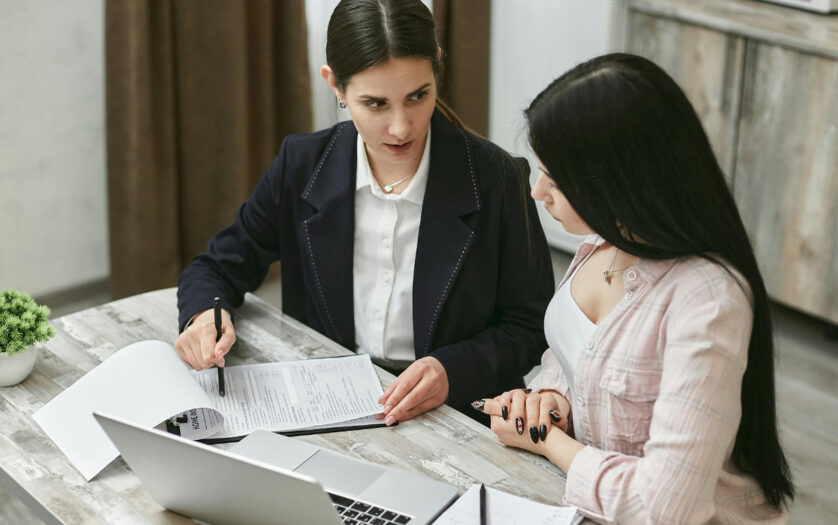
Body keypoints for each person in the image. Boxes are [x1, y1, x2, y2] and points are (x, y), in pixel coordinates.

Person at [175, 0, 554, 424]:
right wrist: (204, 316)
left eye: (418, 96)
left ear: (437, 67)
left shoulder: (497, 178)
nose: (401, 127)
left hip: (454, 415)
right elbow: (218, 266)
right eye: (375, 104)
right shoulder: (301, 164)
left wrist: (452, 370)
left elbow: (531, 325)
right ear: (335, 86)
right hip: (326, 405)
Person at [474, 54, 794, 523]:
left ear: (618, 180)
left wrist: (550, 442)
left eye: (555, 179)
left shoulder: (708, 299)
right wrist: (552, 400)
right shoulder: (605, 239)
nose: (537, 191)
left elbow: (665, 508)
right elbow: (578, 357)